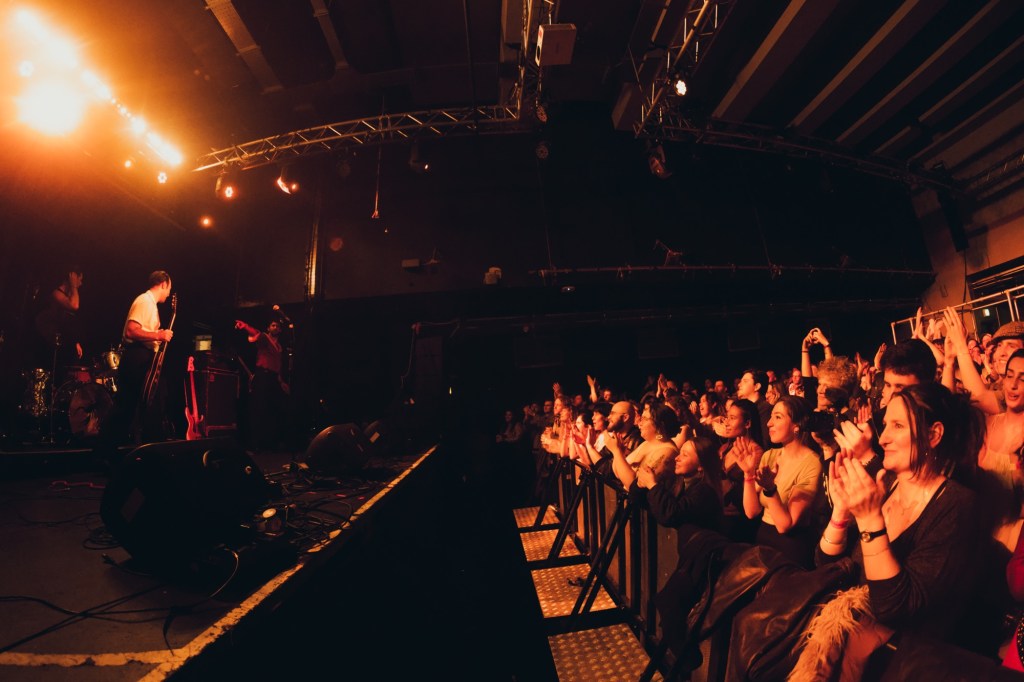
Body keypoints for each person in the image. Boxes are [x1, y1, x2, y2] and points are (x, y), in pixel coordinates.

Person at [812, 383, 982, 677]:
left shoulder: (957, 504)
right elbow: (826, 566)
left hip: (895, 663)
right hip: (844, 637)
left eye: (898, 426)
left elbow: (894, 607)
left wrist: (869, 520)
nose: (883, 438)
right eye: (886, 424)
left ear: (933, 435)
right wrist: (840, 513)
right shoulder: (886, 485)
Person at [736, 395, 823, 568]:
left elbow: (785, 525)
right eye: (771, 417)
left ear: (797, 425)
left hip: (790, 548)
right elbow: (751, 512)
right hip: (763, 540)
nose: (769, 423)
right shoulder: (770, 455)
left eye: (778, 417)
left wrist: (770, 490)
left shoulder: (812, 463)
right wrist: (748, 474)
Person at [110, 271, 174, 444]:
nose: (169, 293)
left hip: (141, 357)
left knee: (131, 407)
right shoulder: (145, 301)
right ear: (163, 284)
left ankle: (114, 449)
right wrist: (158, 335)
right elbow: (131, 331)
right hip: (136, 358)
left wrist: (156, 335)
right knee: (129, 406)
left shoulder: (150, 304)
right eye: (169, 288)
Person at [235, 318, 289, 450]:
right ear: (268, 328)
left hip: (273, 379)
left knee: (272, 410)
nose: (275, 327)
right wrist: (245, 326)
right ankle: (256, 445)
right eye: (273, 325)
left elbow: (278, 365)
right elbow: (255, 333)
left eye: (277, 326)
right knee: (259, 409)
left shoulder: (279, 347)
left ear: (280, 330)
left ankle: (270, 443)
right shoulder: (265, 338)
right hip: (263, 376)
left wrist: (281, 381)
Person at [33, 267, 85, 368]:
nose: (81, 283)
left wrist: (75, 342)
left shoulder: (67, 296)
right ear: (72, 277)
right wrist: (73, 286)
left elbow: (67, 323)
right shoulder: (56, 293)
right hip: (47, 344)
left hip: (61, 344)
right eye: (79, 279)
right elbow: (74, 306)